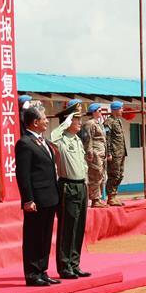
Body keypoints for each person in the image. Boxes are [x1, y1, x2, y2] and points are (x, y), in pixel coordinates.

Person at [15, 104, 61, 287]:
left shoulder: (43, 142)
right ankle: (32, 274)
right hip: (36, 199)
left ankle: (42, 270)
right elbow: (23, 174)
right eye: (43, 119)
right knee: (34, 236)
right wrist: (28, 199)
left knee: (45, 236)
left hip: (50, 197)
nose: (46, 121)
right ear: (34, 122)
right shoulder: (24, 143)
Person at [48, 101, 92, 280]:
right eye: (76, 120)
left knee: (78, 227)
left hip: (81, 186)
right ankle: (65, 266)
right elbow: (51, 136)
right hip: (68, 186)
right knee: (67, 228)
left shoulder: (77, 140)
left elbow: (83, 166)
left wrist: (87, 186)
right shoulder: (61, 140)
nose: (80, 123)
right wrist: (64, 123)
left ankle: (75, 263)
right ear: (68, 122)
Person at [83, 103, 108, 208]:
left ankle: (98, 198)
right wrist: (89, 153)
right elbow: (88, 139)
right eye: (99, 110)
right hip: (95, 153)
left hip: (101, 153)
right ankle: (94, 199)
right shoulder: (90, 123)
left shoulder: (99, 123)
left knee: (101, 175)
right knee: (95, 175)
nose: (101, 113)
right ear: (93, 112)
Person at [104, 101, 128, 207]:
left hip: (121, 152)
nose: (122, 110)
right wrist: (108, 153)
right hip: (114, 153)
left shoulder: (118, 121)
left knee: (120, 175)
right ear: (115, 109)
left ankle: (114, 195)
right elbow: (107, 139)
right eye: (121, 108)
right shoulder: (108, 122)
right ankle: (110, 197)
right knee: (114, 175)